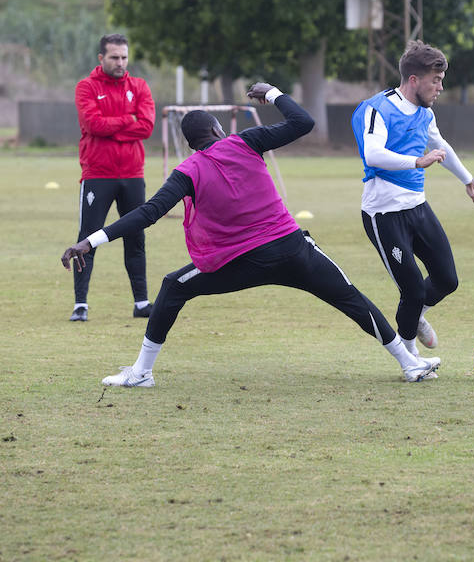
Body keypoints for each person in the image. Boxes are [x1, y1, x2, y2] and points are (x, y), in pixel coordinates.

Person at [61, 82, 440, 387]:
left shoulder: (187, 171)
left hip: (240, 262)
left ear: (191, 143)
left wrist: (89, 240)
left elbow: (147, 214)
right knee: (352, 299)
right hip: (294, 250)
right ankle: (408, 363)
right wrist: (273, 93)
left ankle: (141, 372)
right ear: (217, 129)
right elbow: (303, 123)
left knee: (174, 286)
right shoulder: (245, 141)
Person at [351, 41, 474, 362]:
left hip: (417, 207)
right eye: (435, 81)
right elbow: (373, 153)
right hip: (383, 214)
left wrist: (468, 179)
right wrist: (417, 162)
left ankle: (416, 315)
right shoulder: (378, 108)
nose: (440, 87)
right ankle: (411, 358)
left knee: (447, 280)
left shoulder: (426, 113)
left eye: (441, 80)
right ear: (414, 80)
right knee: (412, 289)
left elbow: (440, 145)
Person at [70, 33, 156, 322]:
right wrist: (127, 120)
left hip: (133, 175)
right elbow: (93, 125)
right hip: (98, 175)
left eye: (124, 57)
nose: (120, 63)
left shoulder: (140, 86)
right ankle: (80, 305)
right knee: (88, 239)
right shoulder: (86, 87)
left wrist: (115, 126)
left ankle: (141, 303)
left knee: (136, 238)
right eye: (114, 57)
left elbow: (146, 127)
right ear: (101, 58)